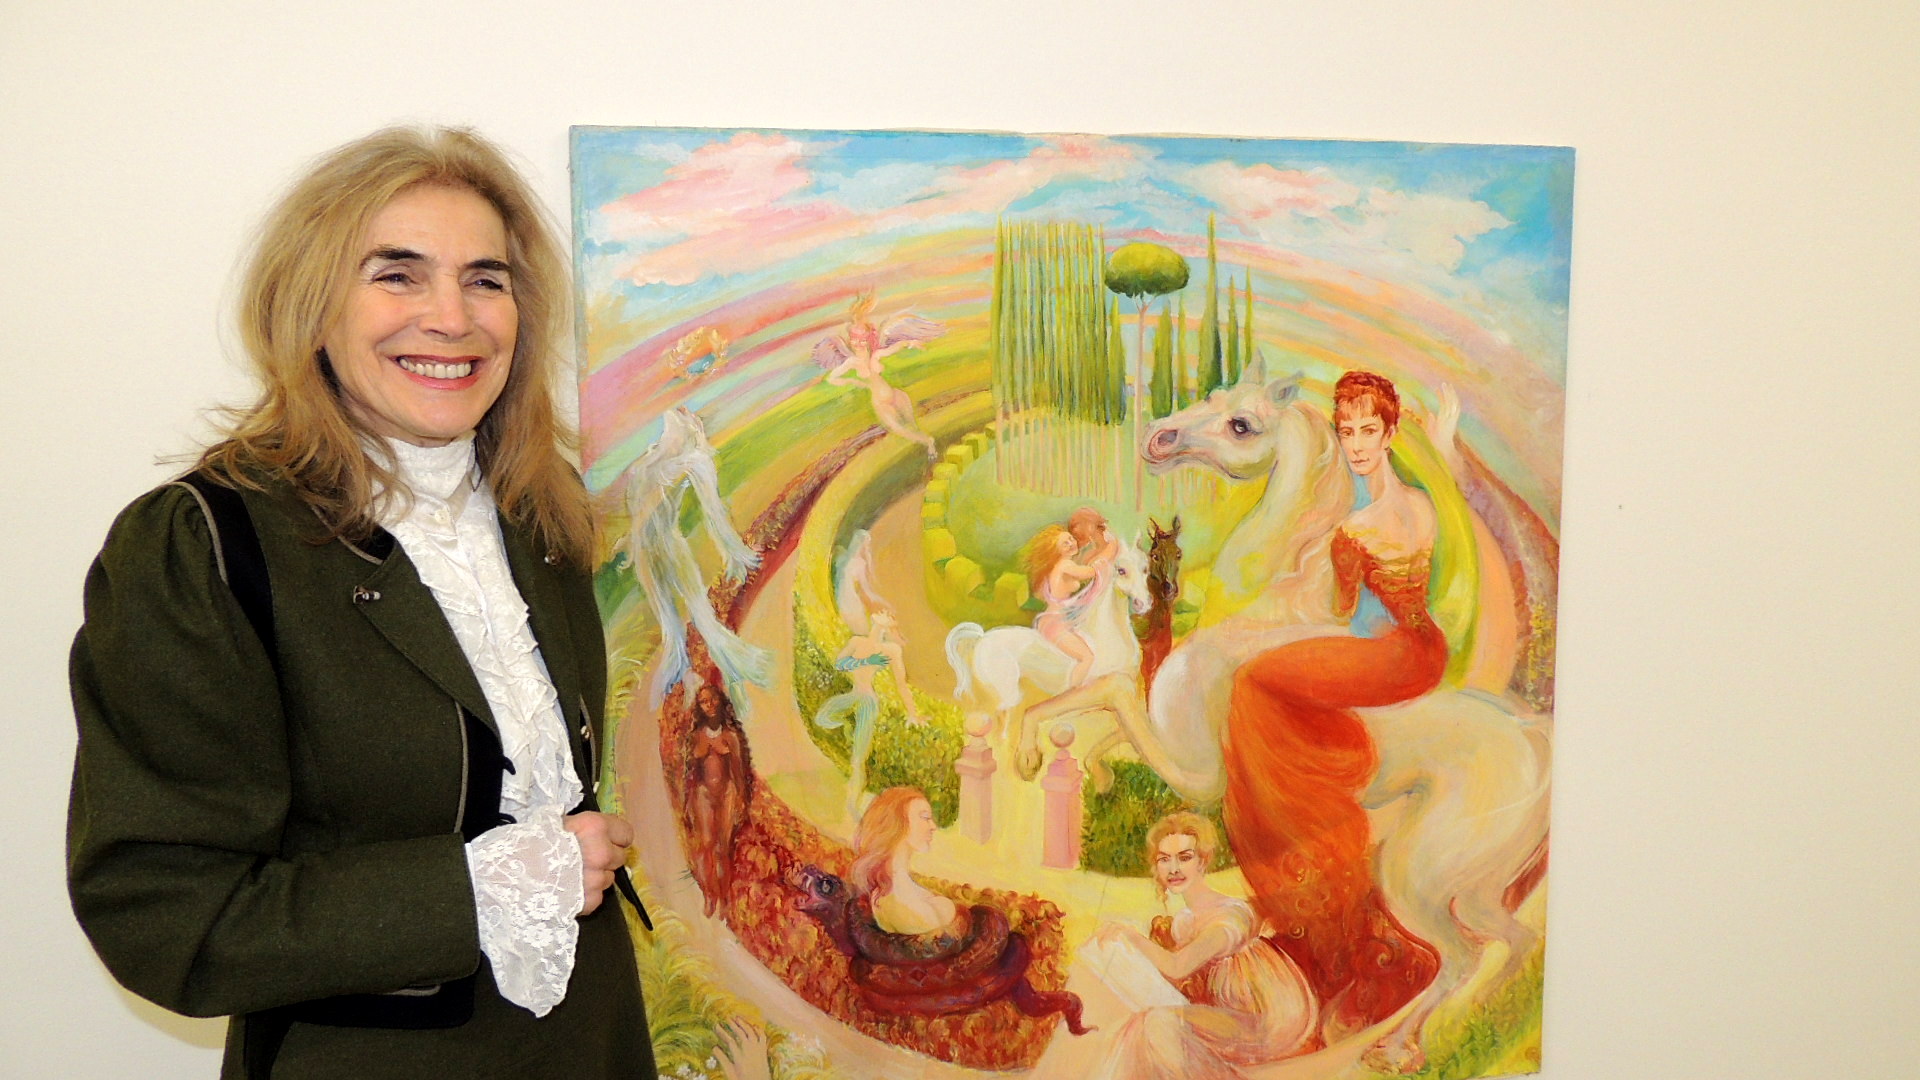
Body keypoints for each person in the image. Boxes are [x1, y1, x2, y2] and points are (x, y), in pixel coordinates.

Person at [66, 127, 654, 1079]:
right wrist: (482, 888)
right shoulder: (202, 545)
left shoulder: (542, 515)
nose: (452, 318)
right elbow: (167, 917)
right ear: (311, 306)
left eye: (485, 280)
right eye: (397, 274)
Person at [1221, 371, 1446, 1037]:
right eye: (1347, 431)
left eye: (1368, 430)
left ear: (1390, 432)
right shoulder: (1421, 504)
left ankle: (1304, 831)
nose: (1356, 444)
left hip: (1387, 655)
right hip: (1425, 647)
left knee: (1252, 684)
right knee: (1270, 674)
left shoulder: (1359, 524)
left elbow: (1344, 614)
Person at [1090, 813, 1316, 1078]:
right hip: (1228, 1013)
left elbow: (1178, 966)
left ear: (1203, 861)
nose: (1173, 869)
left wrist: (1132, 937)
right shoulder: (1185, 921)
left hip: (1266, 1019)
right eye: (1164, 859)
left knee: (1158, 1023)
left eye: (1184, 858)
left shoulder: (1230, 917)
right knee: (1133, 1028)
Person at [813, 611, 926, 821]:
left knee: (858, 759)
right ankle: (846, 725)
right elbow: (839, 664)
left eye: (888, 615)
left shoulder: (891, 650)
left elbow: (901, 685)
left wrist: (913, 714)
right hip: (853, 695)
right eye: (881, 612)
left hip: (868, 701)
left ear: (890, 625)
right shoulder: (857, 642)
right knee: (822, 717)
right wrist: (866, 661)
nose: (882, 613)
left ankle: (853, 805)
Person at [812, 290, 944, 459]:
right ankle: (929, 443)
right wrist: (853, 381)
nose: (858, 344)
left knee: (912, 424)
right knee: (900, 429)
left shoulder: (876, 355)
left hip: (894, 394)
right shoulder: (853, 362)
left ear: (867, 341)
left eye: (862, 341)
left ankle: (927, 446)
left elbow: (896, 346)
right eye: (855, 341)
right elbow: (832, 378)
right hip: (881, 403)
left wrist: (911, 342)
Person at [683, 683, 753, 919]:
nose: (709, 705)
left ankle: (723, 898)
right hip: (703, 793)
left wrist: (742, 799)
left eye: (713, 699)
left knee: (723, 847)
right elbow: (690, 774)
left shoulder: (730, 736)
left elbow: (738, 772)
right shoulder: (696, 737)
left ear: (721, 702)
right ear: (699, 707)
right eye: (704, 702)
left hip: (727, 793)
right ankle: (709, 895)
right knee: (705, 845)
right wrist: (686, 803)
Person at [848, 787, 955, 938]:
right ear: (898, 823)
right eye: (925, 818)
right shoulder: (893, 898)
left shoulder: (901, 885)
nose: (933, 827)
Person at [1025, 519, 1114, 689]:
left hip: (1057, 621)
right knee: (1086, 657)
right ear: (1056, 550)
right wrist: (1112, 546)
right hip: (1055, 624)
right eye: (1065, 543)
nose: (1071, 543)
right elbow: (1091, 572)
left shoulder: (1059, 566)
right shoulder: (1064, 565)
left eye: (1071, 539)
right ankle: (1071, 694)